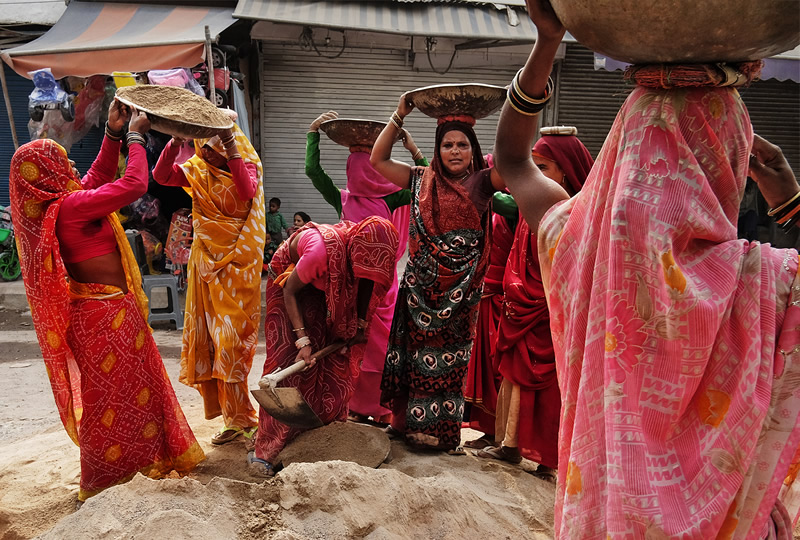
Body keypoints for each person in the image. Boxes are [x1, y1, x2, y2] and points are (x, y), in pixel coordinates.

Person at [495, 1, 800, 536]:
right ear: (731, 162)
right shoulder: (766, 283)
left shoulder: (576, 246)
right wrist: (791, 200)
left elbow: (513, 162)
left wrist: (547, 41)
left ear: (621, 153)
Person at [9, 102, 204, 503]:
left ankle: (139, 463)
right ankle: (104, 478)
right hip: (106, 315)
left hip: (100, 314)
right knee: (111, 401)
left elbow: (95, 178)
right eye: (64, 164)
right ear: (49, 175)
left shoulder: (58, 207)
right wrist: (135, 137)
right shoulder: (71, 208)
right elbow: (132, 186)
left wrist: (113, 134)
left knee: (128, 394)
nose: (73, 170)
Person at [371, 94, 505, 454]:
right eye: (448, 144)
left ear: (473, 149)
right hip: (419, 292)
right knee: (413, 357)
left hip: (460, 297)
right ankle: (404, 426)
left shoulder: (483, 182)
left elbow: (514, 159)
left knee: (452, 363)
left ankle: (444, 436)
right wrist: (399, 113)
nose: (455, 151)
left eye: (463, 144)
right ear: (437, 148)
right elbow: (378, 159)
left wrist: (516, 108)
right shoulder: (419, 180)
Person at [478, 130, 593, 484]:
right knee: (515, 374)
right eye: (534, 167)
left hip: (553, 311)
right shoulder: (534, 209)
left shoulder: (578, 217)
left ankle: (550, 458)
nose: (536, 177)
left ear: (566, 173)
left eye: (543, 167)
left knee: (552, 386)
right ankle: (510, 444)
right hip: (521, 305)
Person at [305, 110, 429, 423]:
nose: (357, 173)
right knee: (351, 348)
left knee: (377, 348)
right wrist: (312, 133)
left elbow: (428, 182)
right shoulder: (359, 198)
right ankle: (360, 408)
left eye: (361, 167)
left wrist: (314, 137)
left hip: (376, 289)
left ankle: (382, 409)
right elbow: (426, 179)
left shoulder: (384, 198)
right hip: (354, 287)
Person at [250, 217, 399, 476]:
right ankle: (267, 451)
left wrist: (360, 324)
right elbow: (290, 292)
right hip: (290, 288)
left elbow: (365, 281)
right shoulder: (320, 252)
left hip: (327, 287)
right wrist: (303, 341)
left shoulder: (363, 258)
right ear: (355, 250)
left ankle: (321, 436)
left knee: (334, 362)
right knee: (291, 364)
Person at [153, 124, 266, 447]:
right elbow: (161, 177)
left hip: (237, 268)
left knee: (231, 344)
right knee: (214, 345)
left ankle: (243, 416)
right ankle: (236, 418)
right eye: (201, 146)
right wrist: (175, 142)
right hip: (206, 270)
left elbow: (245, 192)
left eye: (209, 147)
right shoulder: (199, 171)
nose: (203, 153)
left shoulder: (246, 167)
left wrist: (230, 147)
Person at [463, 154, 518, 449]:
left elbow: (489, 196)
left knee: (497, 366)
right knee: (482, 364)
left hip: (503, 296)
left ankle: (502, 432)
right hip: (483, 293)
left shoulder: (513, 203)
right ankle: (488, 430)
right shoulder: (490, 208)